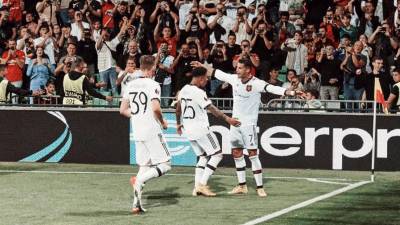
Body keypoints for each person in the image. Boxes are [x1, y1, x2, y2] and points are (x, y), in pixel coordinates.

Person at [191, 58, 302, 197]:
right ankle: (242, 186)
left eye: (240, 68)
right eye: (237, 67)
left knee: (253, 155)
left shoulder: (257, 83)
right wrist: (202, 66)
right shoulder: (234, 79)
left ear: (248, 70)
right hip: (234, 123)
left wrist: (291, 92)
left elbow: (272, 88)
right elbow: (216, 73)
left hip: (248, 125)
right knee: (236, 153)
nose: (237, 70)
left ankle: (260, 187)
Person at [176, 67, 241, 197]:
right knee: (217, 154)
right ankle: (202, 184)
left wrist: (178, 123)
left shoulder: (183, 89)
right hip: (201, 129)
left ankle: (196, 188)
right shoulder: (198, 92)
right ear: (200, 78)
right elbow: (212, 108)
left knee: (202, 157)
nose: (206, 80)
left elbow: (178, 108)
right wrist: (228, 119)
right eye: (206, 78)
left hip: (188, 129)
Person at [120, 55, 171, 214]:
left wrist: (137, 115)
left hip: (137, 130)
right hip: (151, 129)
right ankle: (139, 180)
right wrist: (162, 122)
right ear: (152, 68)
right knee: (166, 164)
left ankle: (136, 204)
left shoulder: (130, 84)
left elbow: (122, 110)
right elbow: (156, 108)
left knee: (145, 166)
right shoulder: (154, 84)